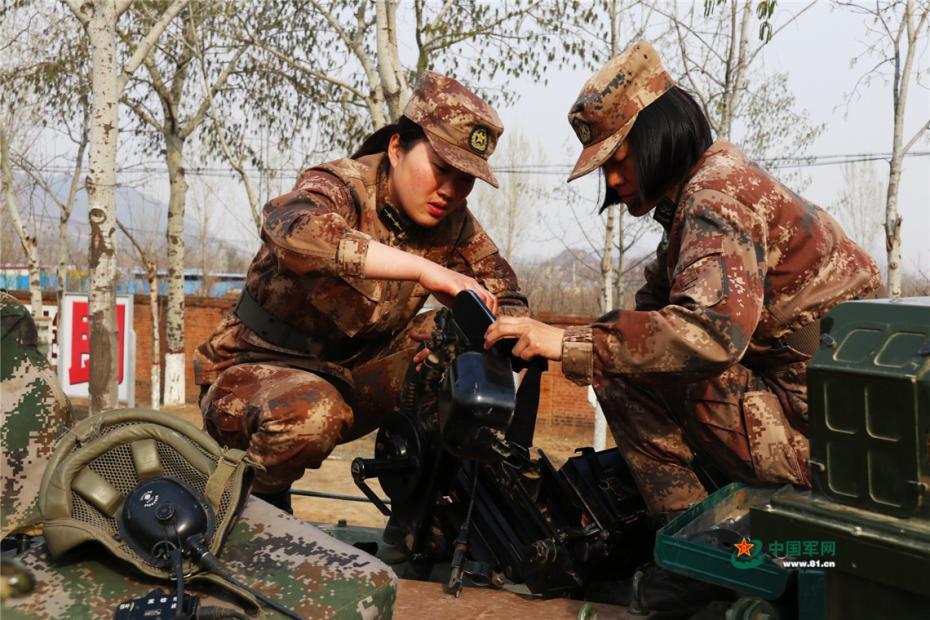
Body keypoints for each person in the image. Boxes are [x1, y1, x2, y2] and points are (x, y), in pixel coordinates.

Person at [485, 41, 882, 519]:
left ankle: (694, 551)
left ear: (658, 134)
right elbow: (645, 320)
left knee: (616, 368)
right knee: (621, 351)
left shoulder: (714, 198)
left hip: (828, 447)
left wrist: (571, 343)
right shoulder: (697, 204)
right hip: (836, 430)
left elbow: (709, 335)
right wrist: (542, 339)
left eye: (617, 159)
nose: (610, 180)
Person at [194, 72, 527, 511]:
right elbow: (291, 229)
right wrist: (426, 272)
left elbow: (509, 300)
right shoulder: (341, 185)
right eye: (442, 169)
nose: (450, 191)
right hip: (255, 375)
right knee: (313, 413)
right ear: (395, 148)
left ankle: (422, 522)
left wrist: (506, 340)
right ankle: (236, 512)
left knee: (462, 346)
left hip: (352, 378)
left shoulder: (455, 223)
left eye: (466, 179)